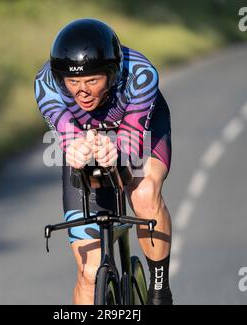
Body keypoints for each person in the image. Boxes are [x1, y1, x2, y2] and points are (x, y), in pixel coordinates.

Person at [34, 18, 173, 305]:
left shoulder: (141, 73)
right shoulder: (45, 83)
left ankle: (160, 291)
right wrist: (75, 148)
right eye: (73, 82)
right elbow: (68, 135)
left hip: (139, 129)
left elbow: (132, 143)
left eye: (92, 81)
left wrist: (116, 150)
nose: (81, 91)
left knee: (144, 192)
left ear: (111, 73)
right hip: (86, 136)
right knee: (88, 271)